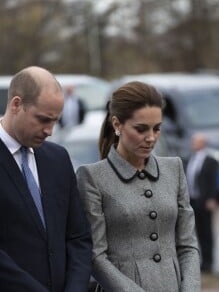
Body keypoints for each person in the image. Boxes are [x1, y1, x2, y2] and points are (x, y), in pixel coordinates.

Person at [76, 81, 201, 292]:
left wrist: (190, 289)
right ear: (117, 125)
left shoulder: (174, 169)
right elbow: (95, 255)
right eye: (141, 129)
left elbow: (188, 245)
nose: (151, 137)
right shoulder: (92, 177)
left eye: (157, 128)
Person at [0, 66, 92, 292]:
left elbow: (78, 237)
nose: (50, 131)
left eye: (55, 121)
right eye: (42, 120)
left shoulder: (57, 159)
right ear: (16, 104)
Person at [186, 133, 219, 273]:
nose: (193, 143)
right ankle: (200, 261)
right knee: (196, 231)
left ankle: (209, 262)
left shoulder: (210, 160)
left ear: (203, 143)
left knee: (207, 232)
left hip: (205, 200)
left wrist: (212, 198)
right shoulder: (190, 159)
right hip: (193, 200)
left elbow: (214, 181)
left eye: (196, 141)